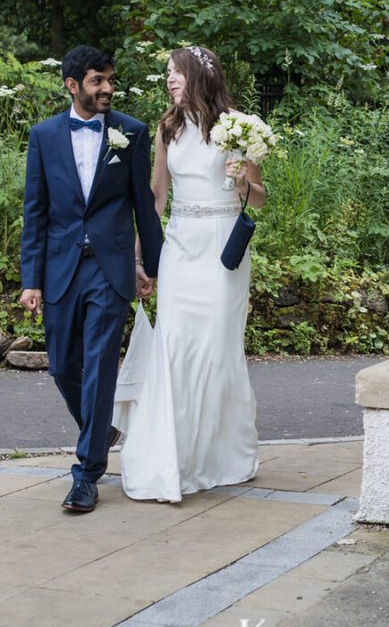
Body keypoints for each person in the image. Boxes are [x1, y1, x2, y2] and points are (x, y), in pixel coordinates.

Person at [19, 45, 163, 514]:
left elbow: (144, 206)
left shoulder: (131, 133)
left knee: (101, 365)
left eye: (110, 81)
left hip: (110, 267)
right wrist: (31, 279)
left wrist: (151, 267)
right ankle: (101, 430)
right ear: (72, 85)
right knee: (63, 366)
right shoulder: (43, 136)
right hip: (61, 267)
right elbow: (35, 213)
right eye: (97, 81)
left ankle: (86, 474)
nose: (106, 89)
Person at [114, 44, 261, 502]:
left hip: (221, 250)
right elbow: (157, 198)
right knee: (174, 347)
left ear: (199, 75)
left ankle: (218, 455)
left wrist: (242, 180)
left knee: (216, 350)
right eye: (167, 74)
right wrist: (140, 254)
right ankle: (170, 457)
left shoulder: (236, 126)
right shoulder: (167, 127)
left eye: (176, 72)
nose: (169, 80)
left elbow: (256, 198)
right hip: (180, 245)